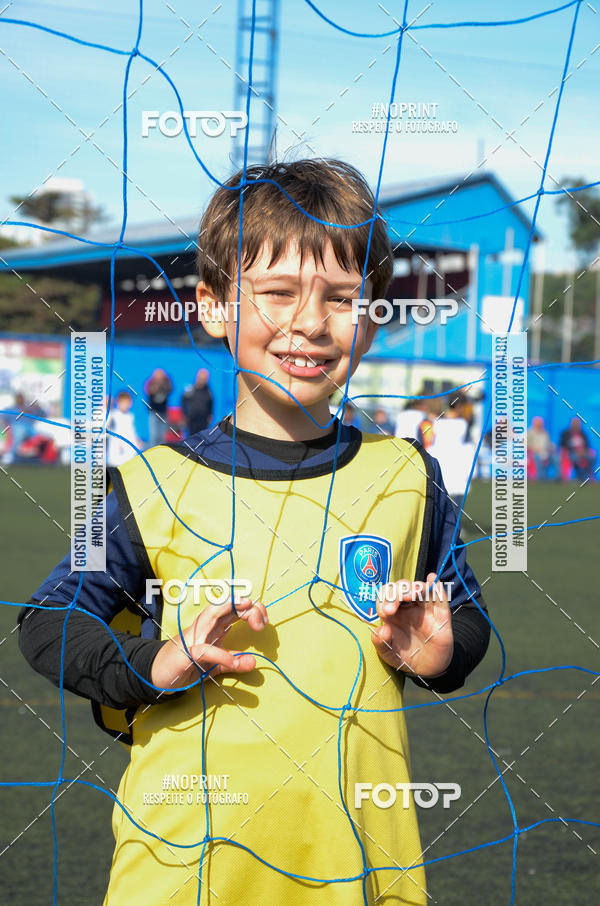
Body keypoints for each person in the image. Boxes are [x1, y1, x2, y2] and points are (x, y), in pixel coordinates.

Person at [17, 159, 490, 906]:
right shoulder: (153, 482)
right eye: (276, 294)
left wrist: (439, 650)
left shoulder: (409, 476)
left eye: (342, 298)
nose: (308, 322)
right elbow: (50, 621)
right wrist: (160, 662)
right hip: (184, 873)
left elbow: (463, 615)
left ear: (370, 317)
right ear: (211, 306)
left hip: (360, 869)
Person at [106, 391, 140, 466]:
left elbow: (132, 433)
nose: (126, 405)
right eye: (124, 402)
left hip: (130, 456)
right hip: (116, 455)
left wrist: (137, 442)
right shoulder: (113, 415)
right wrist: (107, 405)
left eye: (128, 402)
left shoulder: (131, 416)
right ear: (118, 403)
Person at [559, 416, 596, 481]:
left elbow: (587, 445)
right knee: (574, 458)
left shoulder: (583, 433)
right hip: (570, 453)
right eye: (574, 423)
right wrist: (575, 451)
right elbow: (562, 445)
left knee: (592, 457)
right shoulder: (565, 433)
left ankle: (589, 477)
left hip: (583, 453)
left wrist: (584, 451)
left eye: (577, 423)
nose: (576, 424)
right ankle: (579, 477)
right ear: (571, 424)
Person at [144, 368, 173, 446]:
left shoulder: (166, 383)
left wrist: (163, 382)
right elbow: (150, 390)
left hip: (163, 412)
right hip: (153, 412)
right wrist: (157, 384)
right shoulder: (151, 382)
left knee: (162, 436)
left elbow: (170, 389)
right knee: (154, 436)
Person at [181, 368, 214, 436]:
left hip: (203, 419)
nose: (203, 380)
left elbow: (210, 403)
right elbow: (183, 401)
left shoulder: (208, 391)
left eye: (205, 378)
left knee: (202, 438)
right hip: (192, 418)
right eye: (201, 378)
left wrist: (210, 415)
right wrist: (185, 414)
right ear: (197, 378)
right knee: (191, 438)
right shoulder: (190, 389)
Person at [527, 416, 556, 480]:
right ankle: (540, 478)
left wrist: (553, 448)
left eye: (541, 423)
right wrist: (534, 449)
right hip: (534, 453)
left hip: (546, 452)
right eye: (538, 423)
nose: (540, 424)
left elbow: (549, 444)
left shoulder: (545, 433)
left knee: (556, 458)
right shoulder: (529, 433)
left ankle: (559, 478)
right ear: (534, 423)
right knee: (537, 457)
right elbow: (526, 445)